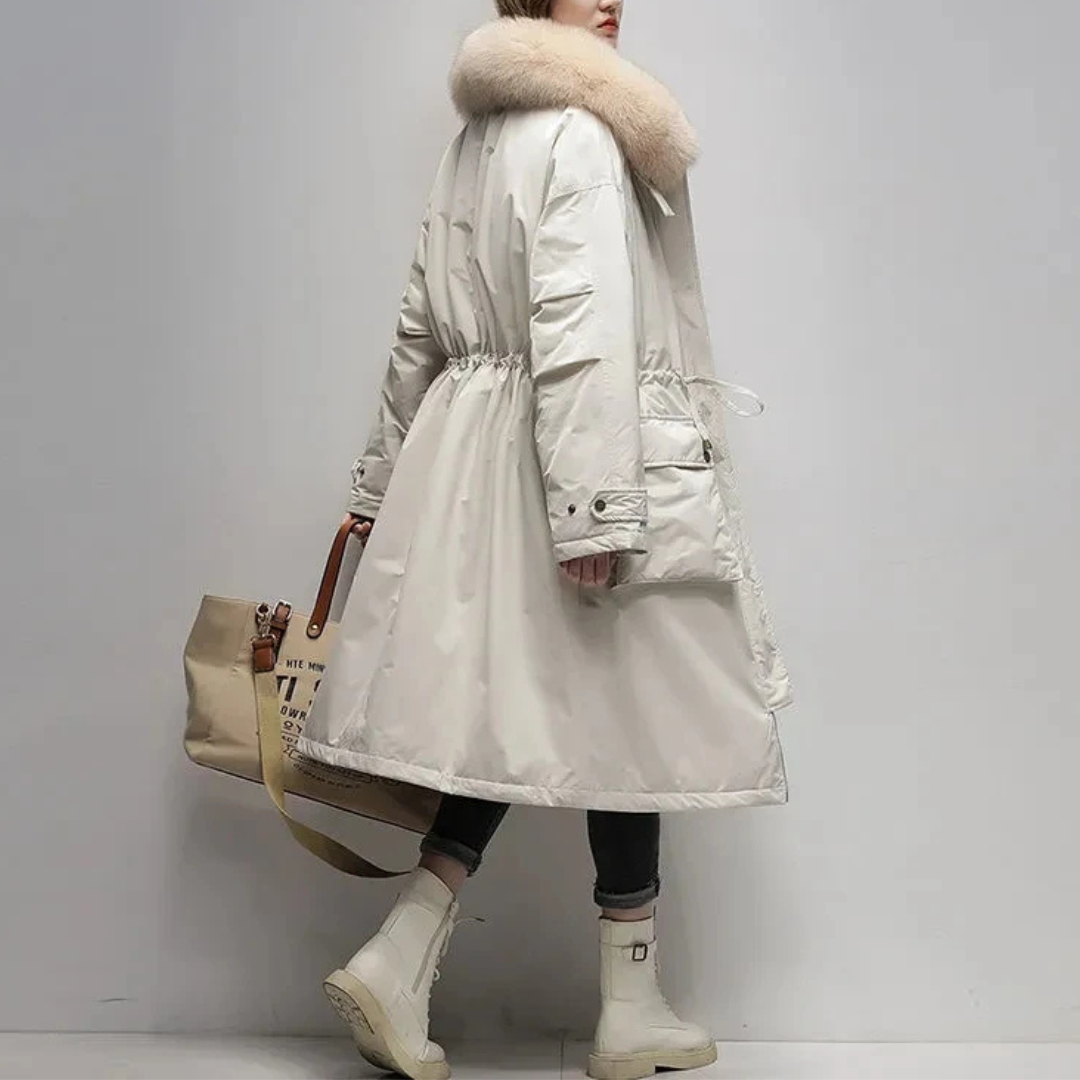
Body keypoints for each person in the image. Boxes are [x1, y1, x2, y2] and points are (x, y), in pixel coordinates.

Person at [298, 1, 794, 1077]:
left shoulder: (476, 139)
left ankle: (583, 988)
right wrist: (596, 507)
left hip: (474, 454)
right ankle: (485, 969)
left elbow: (417, 328)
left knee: (580, 714)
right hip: (569, 454)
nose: (610, 0)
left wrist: (380, 483)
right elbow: (581, 325)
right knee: (621, 706)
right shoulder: (580, 129)